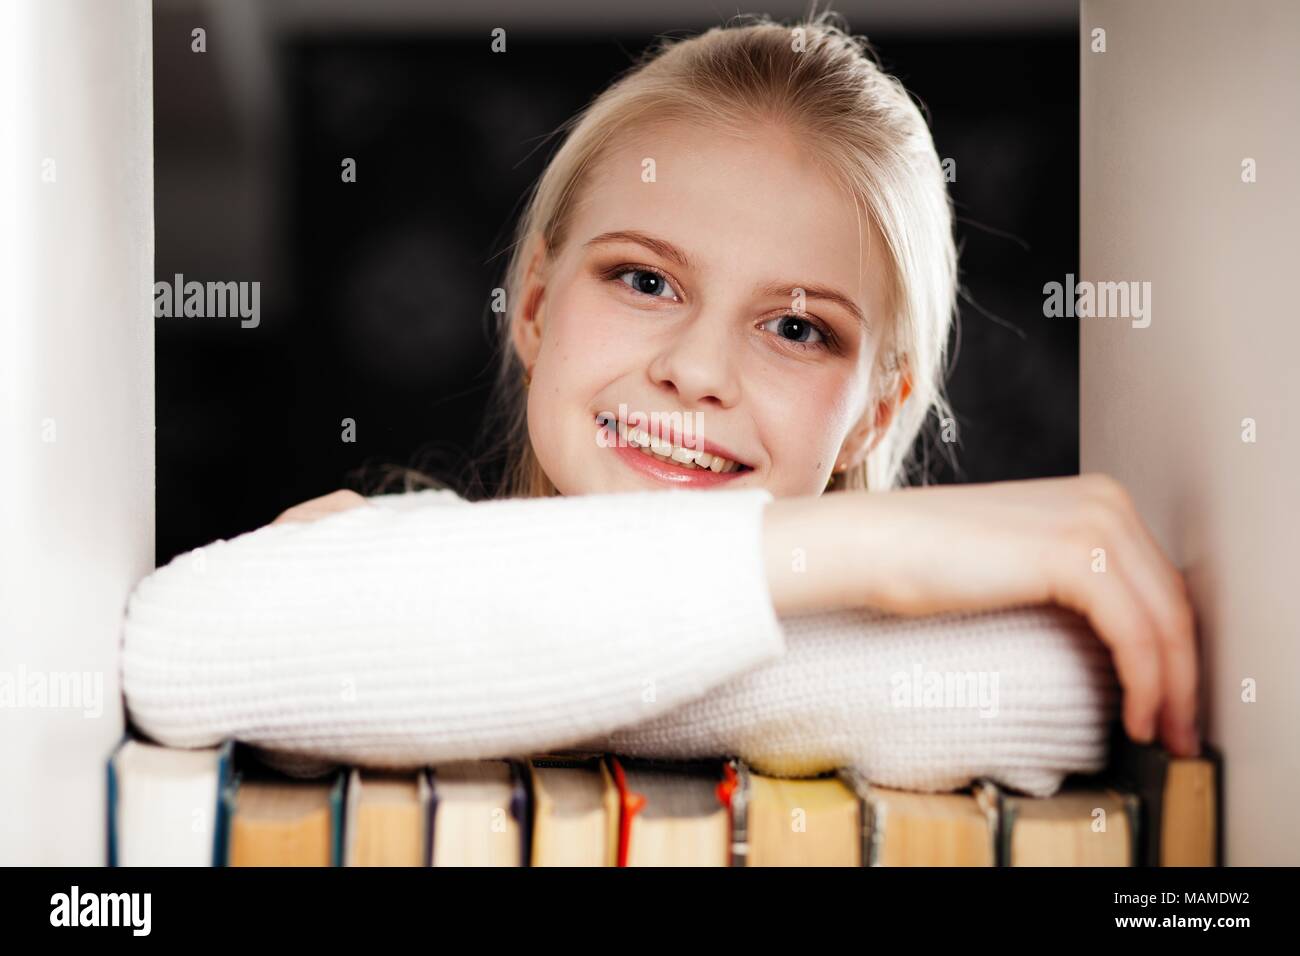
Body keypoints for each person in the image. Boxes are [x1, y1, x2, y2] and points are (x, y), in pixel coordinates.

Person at [122, 12, 1197, 797]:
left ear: (876, 415)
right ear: (535, 306)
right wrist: (868, 550)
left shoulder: (384, 587)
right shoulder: (382, 553)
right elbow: (182, 648)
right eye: (644, 280)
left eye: (795, 326)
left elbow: (1053, 682)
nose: (695, 369)